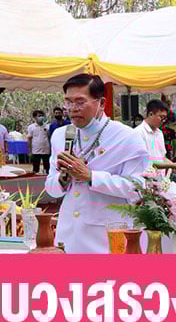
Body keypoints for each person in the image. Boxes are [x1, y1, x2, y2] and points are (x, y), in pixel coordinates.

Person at [45, 74, 150, 253]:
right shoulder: (60, 135)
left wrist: (91, 176)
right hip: (69, 232)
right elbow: (50, 187)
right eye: (68, 102)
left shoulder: (127, 137)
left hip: (106, 235)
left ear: (101, 103)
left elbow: (138, 188)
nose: (73, 109)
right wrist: (64, 177)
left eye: (80, 102)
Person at [134, 100, 176, 176]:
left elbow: (162, 157)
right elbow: (145, 161)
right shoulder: (138, 133)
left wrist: (175, 165)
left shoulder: (159, 133)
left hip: (159, 178)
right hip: (145, 179)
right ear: (151, 114)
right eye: (161, 117)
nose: (163, 121)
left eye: (165, 118)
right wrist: (172, 165)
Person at [27, 109, 51, 174]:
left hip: (46, 150)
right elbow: (29, 139)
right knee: (35, 169)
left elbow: (49, 138)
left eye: (42, 115)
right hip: (35, 151)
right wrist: (30, 151)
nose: (41, 117)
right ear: (35, 117)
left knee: (47, 168)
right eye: (39, 116)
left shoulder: (47, 126)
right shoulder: (31, 127)